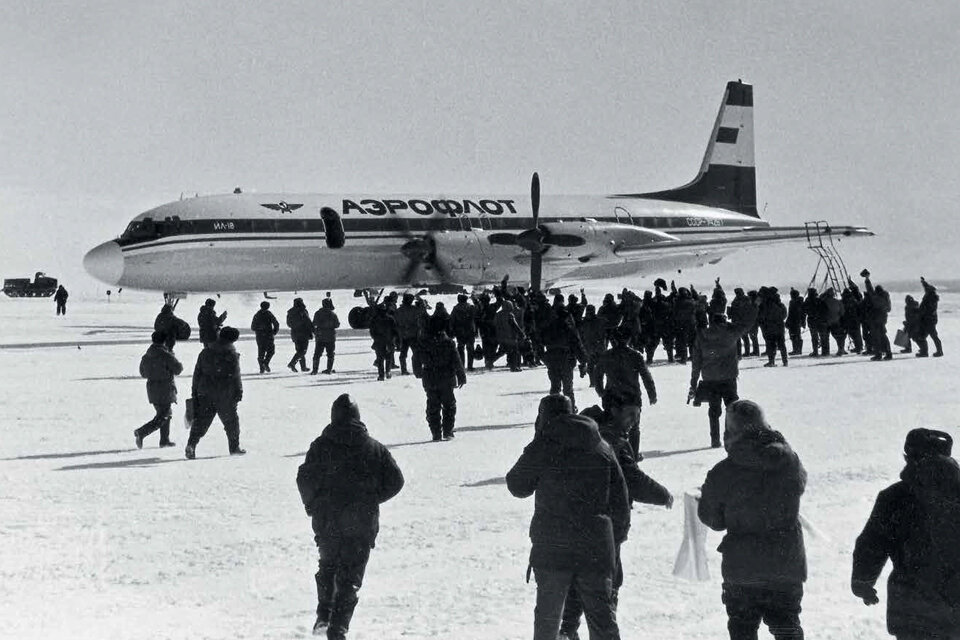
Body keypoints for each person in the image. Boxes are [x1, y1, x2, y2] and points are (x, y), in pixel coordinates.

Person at [506, 394, 629, 640]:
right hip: (595, 546)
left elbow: (517, 485)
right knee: (602, 620)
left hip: (553, 546)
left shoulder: (544, 445)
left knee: (548, 621)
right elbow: (621, 499)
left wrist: (536, 443)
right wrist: (615, 541)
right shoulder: (601, 445)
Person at [558, 405, 673, 639]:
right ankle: (585, 629)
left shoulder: (572, 443)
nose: (633, 422)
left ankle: (567, 629)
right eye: (630, 415)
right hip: (605, 528)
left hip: (571, 526)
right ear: (615, 412)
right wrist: (662, 495)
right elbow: (633, 479)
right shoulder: (610, 443)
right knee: (605, 584)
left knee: (577, 579)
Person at [296, 394, 405, 639]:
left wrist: (313, 504)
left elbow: (304, 478)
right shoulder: (373, 447)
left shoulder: (320, 446)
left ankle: (324, 616)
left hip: (328, 522)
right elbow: (396, 481)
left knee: (328, 567)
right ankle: (339, 627)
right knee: (350, 577)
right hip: (361, 522)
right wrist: (372, 499)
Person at [698, 400, 807, 640]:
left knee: (742, 631)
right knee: (788, 628)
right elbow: (800, 485)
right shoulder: (788, 461)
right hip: (785, 566)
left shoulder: (723, 472)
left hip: (743, 569)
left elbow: (713, 520)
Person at [851, 428, 960, 639]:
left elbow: (871, 544)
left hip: (911, 608)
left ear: (908, 457)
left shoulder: (894, 498)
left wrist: (863, 583)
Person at [594, 325, 657, 459]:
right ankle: (633, 456)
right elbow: (646, 376)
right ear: (629, 339)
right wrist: (652, 394)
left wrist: (601, 392)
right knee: (634, 428)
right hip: (632, 397)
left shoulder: (607, 356)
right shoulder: (635, 356)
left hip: (612, 397)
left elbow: (597, 375)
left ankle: (614, 455)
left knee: (612, 428)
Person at [689, 312, 749, 448]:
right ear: (724, 321)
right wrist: (730, 324)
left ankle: (714, 439)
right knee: (732, 408)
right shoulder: (730, 334)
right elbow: (745, 325)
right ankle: (731, 437)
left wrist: (693, 384)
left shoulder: (702, 336)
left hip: (710, 379)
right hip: (729, 378)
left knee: (714, 410)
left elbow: (696, 362)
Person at [185, 326, 244, 459]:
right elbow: (235, 375)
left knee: (201, 422)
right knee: (231, 422)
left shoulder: (206, 352)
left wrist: (195, 392)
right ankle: (234, 447)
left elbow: (197, 374)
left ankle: (191, 445)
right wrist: (239, 391)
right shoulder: (231, 355)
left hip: (205, 392)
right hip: (225, 393)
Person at [412, 314, 467, 441]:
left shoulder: (422, 342)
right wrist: (461, 375)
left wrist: (418, 372)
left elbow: (415, 358)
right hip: (446, 377)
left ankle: (436, 432)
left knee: (433, 405)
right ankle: (448, 431)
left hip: (430, 377)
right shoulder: (448, 342)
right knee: (449, 405)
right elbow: (457, 360)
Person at [134, 330, 182, 449]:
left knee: (165, 413)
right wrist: (171, 355)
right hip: (165, 388)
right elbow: (178, 369)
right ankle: (142, 432)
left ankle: (164, 440)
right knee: (163, 415)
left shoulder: (147, 355)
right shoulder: (166, 355)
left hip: (152, 388)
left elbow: (143, 373)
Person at [541, 306, 587, 411]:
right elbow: (577, 345)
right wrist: (583, 361)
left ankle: (552, 410)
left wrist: (543, 356)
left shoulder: (548, 328)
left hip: (552, 359)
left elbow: (539, 342)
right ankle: (570, 410)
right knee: (568, 388)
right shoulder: (569, 328)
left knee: (555, 386)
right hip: (566, 359)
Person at [863, 270, 893, 361]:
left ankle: (878, 354)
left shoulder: (876, 298)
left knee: (876, 337)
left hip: (876, 319)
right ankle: (888, 353)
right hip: (883, 318)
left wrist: (867, 280)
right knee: (883, 336)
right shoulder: (886, 298)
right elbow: (888, 309)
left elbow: (870, 290)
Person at [394, 293, 424, 375]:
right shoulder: (414, 309)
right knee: (416, 353)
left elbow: (395, 322)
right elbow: (422, 310)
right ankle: (418, 369)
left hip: (403, 335)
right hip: (413, 335)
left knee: (403, 354)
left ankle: (403, 370)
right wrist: (420, 301)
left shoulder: (398, 310)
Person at [758, 287, 789, 367]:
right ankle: (785, 361)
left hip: (769, 327)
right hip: (780, 327)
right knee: (782, 345)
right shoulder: (780, 305)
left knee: (771, 345)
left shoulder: (765, 305)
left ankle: (771, 361)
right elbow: (784, 315)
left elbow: (761, 315)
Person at [368, 303, 398, 381]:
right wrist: (394, 339)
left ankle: (381, 375)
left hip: (379, 341)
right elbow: (395, 331)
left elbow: (372, 332)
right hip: (389, 341)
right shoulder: (390, 319)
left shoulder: (374, 319)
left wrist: (376, 338)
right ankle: (388, 372)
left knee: (380, 359)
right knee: (389, 357)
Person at [449, 294, 478, 372]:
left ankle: (461, 366)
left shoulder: (455, 309)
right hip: (470, 330)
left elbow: (452, 320)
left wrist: (452, 331)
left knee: (461, 349)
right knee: (470, 349)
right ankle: (470, 366)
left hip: (460, 331)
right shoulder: (471, 307)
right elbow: (476, 317)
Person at [494, 300, 525, 372]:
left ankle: (490, 361)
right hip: (510, 336)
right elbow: (515, 326)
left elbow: (494, 324)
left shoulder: (498, 314)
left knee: (502, 351)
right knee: (514, 352)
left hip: (501, 336)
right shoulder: (510, 315)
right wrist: (521, 333)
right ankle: (514, 367)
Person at [312, 297, 340, 375]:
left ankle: (315, 370)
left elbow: (314, 324)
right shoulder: (332, 314)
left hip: (320, 337)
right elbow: (337, 324)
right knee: (330, 354)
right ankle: (329, 369)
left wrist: (316, 332)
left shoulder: (318, 313)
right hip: (330, 337)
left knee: (317, 354)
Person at [250, 301, 280, 373]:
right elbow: (276, 324)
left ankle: (262, 368)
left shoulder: (257, 315)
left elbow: (253, 327)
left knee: (261, 352)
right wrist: (274, 332)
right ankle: (265, 363)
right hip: (268, 335)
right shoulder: (269, 314)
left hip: (260, 336)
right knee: (271, 351)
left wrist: (259, 329)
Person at [918, 276, 944, 357]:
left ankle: (939, 351)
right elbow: (927, 286)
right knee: (922, 335)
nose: (926, 290)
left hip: (929, 320)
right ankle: (924, 351)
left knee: (933, 336)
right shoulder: (929, 295)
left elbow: (927, 310)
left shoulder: (931, 299)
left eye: (927, 289)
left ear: (930, 291)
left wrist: (921, 312)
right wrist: (923, 282)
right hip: (927, 320)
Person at [286, 297, 314, 373]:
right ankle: (292, 363)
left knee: (299, 350)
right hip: (303, 333)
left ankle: (303, 367)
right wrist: (313, 330)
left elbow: (289, 324)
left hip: (295, 333)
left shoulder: (290, 312)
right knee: (303, 351)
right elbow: (308, 322)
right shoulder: (303, 311)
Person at [786, 288, 806, 356]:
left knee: (795, 336)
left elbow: (793, 313)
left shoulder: (796, 302)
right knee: (794, 336)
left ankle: (797, 350)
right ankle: (796, 349)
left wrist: (803, 322)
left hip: (795, 322)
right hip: (795, 321)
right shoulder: (794, 302)